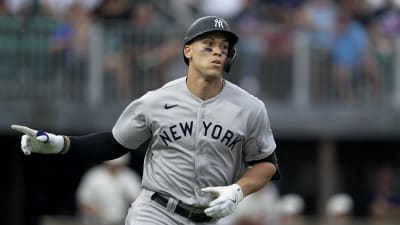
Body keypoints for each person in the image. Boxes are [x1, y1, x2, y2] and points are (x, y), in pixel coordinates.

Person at [11, 16, 280, 225]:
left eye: (223, 47)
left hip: (214, 217)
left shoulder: (249, 108)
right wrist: (61, 144)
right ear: (188, 51)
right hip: (156, 212)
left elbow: (266, 163)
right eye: (208, 45)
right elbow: (115, 143)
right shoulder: (156, 101)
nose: (217, 52)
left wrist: (238, 190)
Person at [76, 153, 142, 225]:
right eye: (113, 166)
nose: (115, 169)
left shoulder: (130, 177)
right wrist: (95, 212)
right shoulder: (94, 175)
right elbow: (83, 201)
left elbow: (137, 200)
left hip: (121, 221)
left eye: (118, 166)